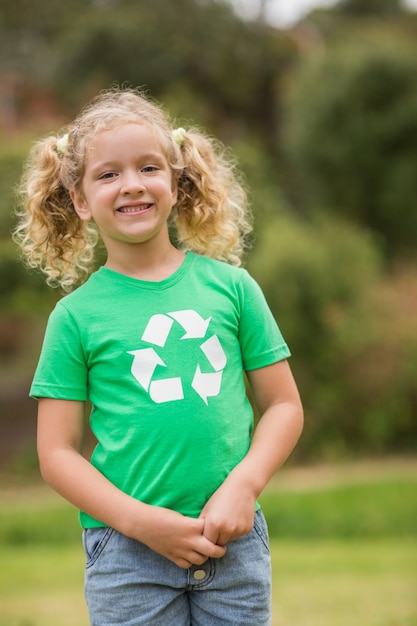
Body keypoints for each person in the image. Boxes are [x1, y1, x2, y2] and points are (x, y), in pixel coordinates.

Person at [14, 86, 303, 626]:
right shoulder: (75, 318)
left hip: (232, 541)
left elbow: (284, 406)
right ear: (79, 199)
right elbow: (56, 454)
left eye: (148, 168)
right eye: (107, 174)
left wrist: (244, 486)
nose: (131, 185)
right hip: (127, 554)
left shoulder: (233, 289)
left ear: (175, 182)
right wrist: (140, 522)